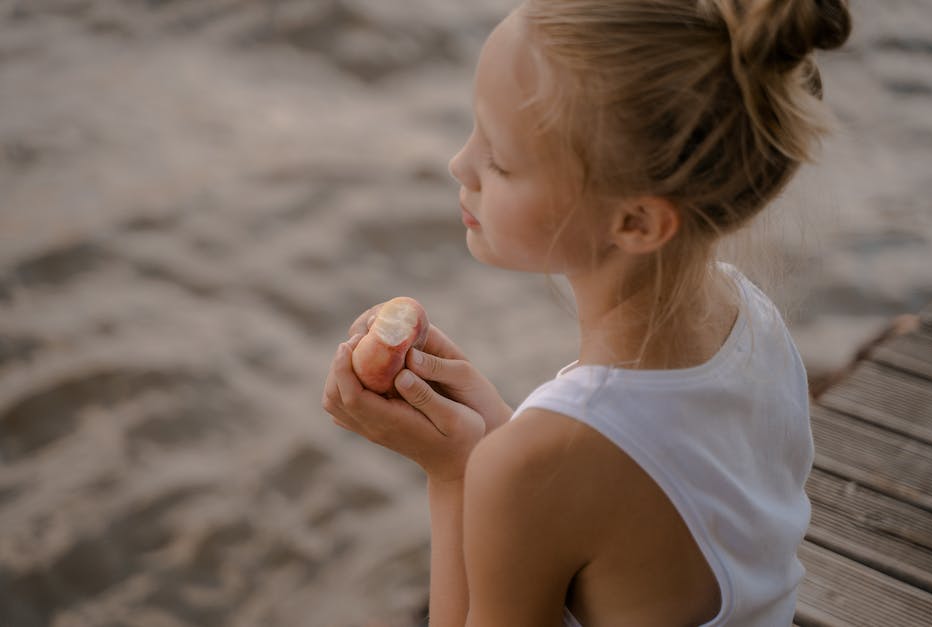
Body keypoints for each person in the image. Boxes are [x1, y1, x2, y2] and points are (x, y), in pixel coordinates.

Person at [322, 0, 852, 624]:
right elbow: (627, 492)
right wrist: (495, 433)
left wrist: (454, 472)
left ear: (636, 221)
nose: (459, 165)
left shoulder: (538, 463)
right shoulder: (752, 320)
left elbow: (574, 477)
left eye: (498, 157)